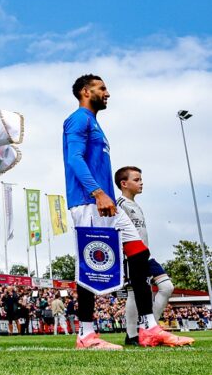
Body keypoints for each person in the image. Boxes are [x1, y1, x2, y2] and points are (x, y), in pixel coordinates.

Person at [63, 74, 192, 349]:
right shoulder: (78, 119)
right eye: (102, 88)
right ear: (86, 92)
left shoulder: (95, 124)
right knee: (90, 264)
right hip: (88, 202)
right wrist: (97, 192)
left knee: (139, 252)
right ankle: (86, 334)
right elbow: (73, 158)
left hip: (106, 203)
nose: (107, 93)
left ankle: (149, 328)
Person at [115, 166, 180, 346]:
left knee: (167, 287)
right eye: (136, 179)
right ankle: (132, 335)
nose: (141, 182)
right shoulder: (119, 204)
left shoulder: (135, 205)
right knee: (134, 294)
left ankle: (149, 328)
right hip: (130, 255)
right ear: (124, 183)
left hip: (146, 254)